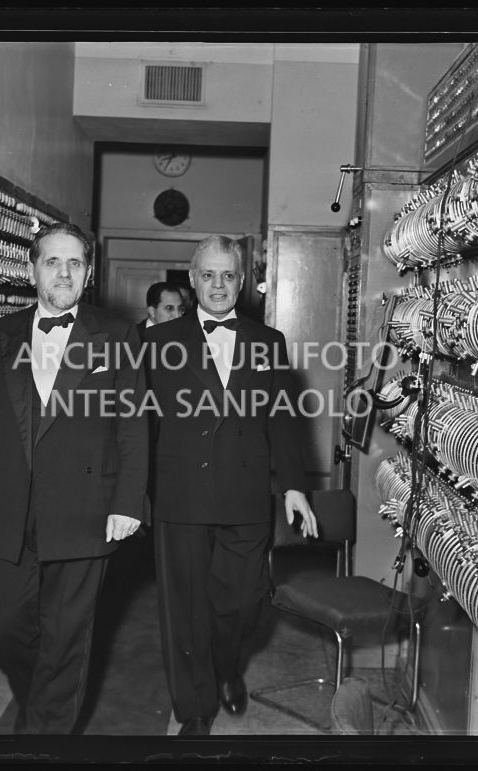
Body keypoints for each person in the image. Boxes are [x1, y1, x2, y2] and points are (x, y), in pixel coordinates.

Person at [0, 222, 148, 734]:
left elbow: (133, 428)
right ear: (31, 268)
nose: (64, 273)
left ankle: (42, 738)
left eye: (75, 263)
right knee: (3, 623)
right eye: (53, 262)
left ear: (89, 273)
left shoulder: (119, 335)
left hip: (85, 509)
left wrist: (128, 502)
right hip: (3, 509)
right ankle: (43, 701)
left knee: (68, 638)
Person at [144, 235, 318, 735]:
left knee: (242, 603)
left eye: (228, 276)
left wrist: (293, 487)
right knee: (184, 611)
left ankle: (226, 666)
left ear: (241, 283)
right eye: (208, 275)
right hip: (180, 495)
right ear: (193, 279)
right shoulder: (157, 343)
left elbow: (283, 422)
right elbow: (139, 425)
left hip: (245, 496)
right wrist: (132, 494)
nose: (218, 285)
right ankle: (195, 709)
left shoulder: (269, 342)